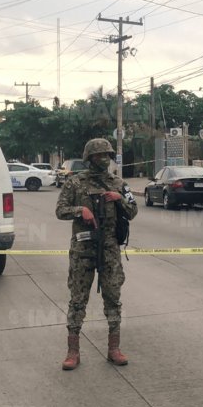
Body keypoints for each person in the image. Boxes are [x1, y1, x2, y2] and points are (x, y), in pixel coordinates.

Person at [56, 138, 138, 370]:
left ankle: (114, 348)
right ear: (89, 158)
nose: (104, 159)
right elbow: (60, 210)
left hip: (110, 249)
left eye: (107, 155)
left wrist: (119, 199)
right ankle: (73, 351)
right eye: (99, 155)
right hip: (83, 250)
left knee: (113, 297)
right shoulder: (75, 183)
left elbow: (133, 211)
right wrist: (80, 210)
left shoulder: (119, 183)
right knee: (78, 300)